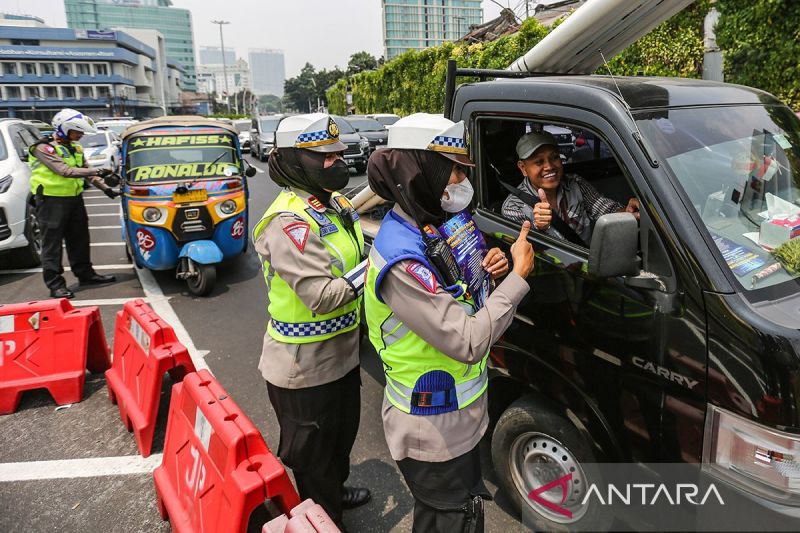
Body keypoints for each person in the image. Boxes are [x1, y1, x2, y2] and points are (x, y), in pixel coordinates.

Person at [364, 113, 535, 532]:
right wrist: (517, 279)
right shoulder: (403, 257)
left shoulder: (427, 227)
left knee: (460, 513)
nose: (460, 180)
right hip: (432, 434)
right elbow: (467, 340)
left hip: (458, 419)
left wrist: (490, 271)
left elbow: (457, 292)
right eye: (453, 169)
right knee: (450, 521)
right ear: (421, 170)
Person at [252, 113, 370, 529]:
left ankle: (333, 495)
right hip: (303, 368)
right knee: (314, 457)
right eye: (325, 156)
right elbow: (321, 296)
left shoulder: (333, 204)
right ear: (293, 160)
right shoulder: (288, 222)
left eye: (338, 152)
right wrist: (377, 266)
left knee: (339, 443)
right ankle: (323, 518)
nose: (337, 161)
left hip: (342, 356)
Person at [29, 108, 118, 299]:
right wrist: (99, 171)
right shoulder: (43, 148)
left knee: (79, 239)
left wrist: (107, 190)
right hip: (50, 202)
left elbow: (86, 170)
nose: (81, 135)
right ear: (63, 129)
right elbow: (65, 171)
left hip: (74, 199)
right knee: (51, 245)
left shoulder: (75, 147)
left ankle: (86, 275)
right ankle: (55, 285)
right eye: (77, 132)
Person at [502, 130, 640, 245]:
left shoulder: (575, 183)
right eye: (539, 162)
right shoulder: (513, 208)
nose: (549, 166)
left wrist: (627, 211)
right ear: (523, 168)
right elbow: (525, 254)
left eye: (554, 157)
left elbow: (605, 209)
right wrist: (539, 227)